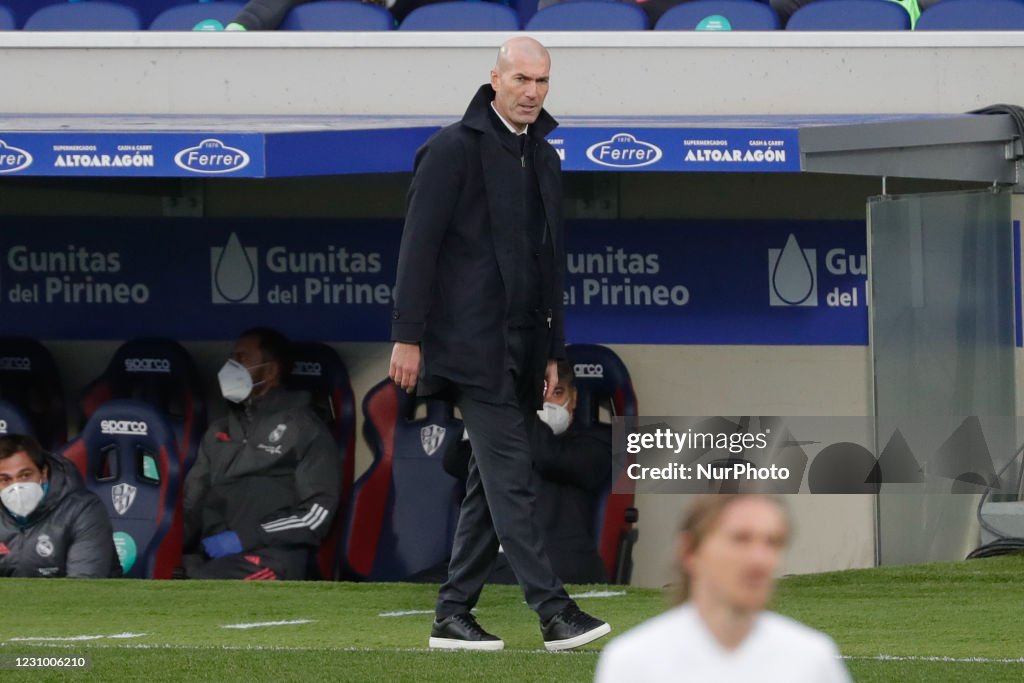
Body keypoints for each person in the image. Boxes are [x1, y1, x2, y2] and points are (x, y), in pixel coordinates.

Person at [389, 36, 610, 652]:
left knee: (489, 487)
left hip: (523, 348)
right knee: (511, 476)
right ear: (495, 79)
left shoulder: (543, 158)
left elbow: (549, 266)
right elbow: (418, 250)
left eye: (542, 82)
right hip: (467, 347)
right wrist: (407, 337)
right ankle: (554, 611)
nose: (533, 92)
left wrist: (555, 353)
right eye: (522, 80)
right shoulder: (449, 151)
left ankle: (452, 614)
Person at [594, 495, 853, 682]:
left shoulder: (811, 657)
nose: (760, 560)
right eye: (740, 539)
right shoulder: (634, 661)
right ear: (689, 551)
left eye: (773, 542)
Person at [182, 328, 341, 580]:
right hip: (210, 557)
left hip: (272, 558)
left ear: (270, 371)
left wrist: (246, 537)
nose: (231, 366)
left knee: (205, 587)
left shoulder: (304, 427)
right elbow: (191, 502)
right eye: (231, 358)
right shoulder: (218, 431)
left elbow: (316, 514)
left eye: (242, 358)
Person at [444, 359, 611, 585]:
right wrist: (488, 418)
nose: (546, 402)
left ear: (574, 399)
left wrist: (521, 413)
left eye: (557, 392)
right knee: (420, 590)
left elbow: (549, 457)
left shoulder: (598, 442)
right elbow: (453, 461)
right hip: (491, 563)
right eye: (539, 393)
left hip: (556, 565)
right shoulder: (499, 441)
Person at [0, 434, 121, 578]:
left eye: (25, 475)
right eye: (5, 479)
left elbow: (83, 587)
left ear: (43, 473)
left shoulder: (84, 510)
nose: (16, 486)